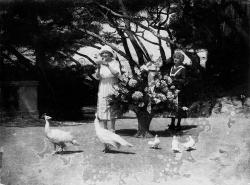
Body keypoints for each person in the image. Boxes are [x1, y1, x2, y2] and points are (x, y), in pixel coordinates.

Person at [95, 45, 121, 132]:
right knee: (103, 105)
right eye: (103, 53)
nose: (105, 54)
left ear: (110, 54)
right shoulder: (100, 63)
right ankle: (105, 128)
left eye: (106, 53)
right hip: (103, 85)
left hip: (112, 85)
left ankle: (113, 128)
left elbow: (117, 74)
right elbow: (98, 77)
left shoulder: (115, 62)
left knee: (112, 105)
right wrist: (98, 68)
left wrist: (108, 65)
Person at [168, 51, 187, 130]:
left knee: (179, 107)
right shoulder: (172, 68)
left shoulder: (182, 69)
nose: (175, 59)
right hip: (171, 90)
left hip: (179, 90)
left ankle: (178, 124)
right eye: (175, 57)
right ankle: (172, 123)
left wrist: (175, 80)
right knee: (172, 106)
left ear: (181, 60)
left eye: (178, 58)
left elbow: (184, 80)